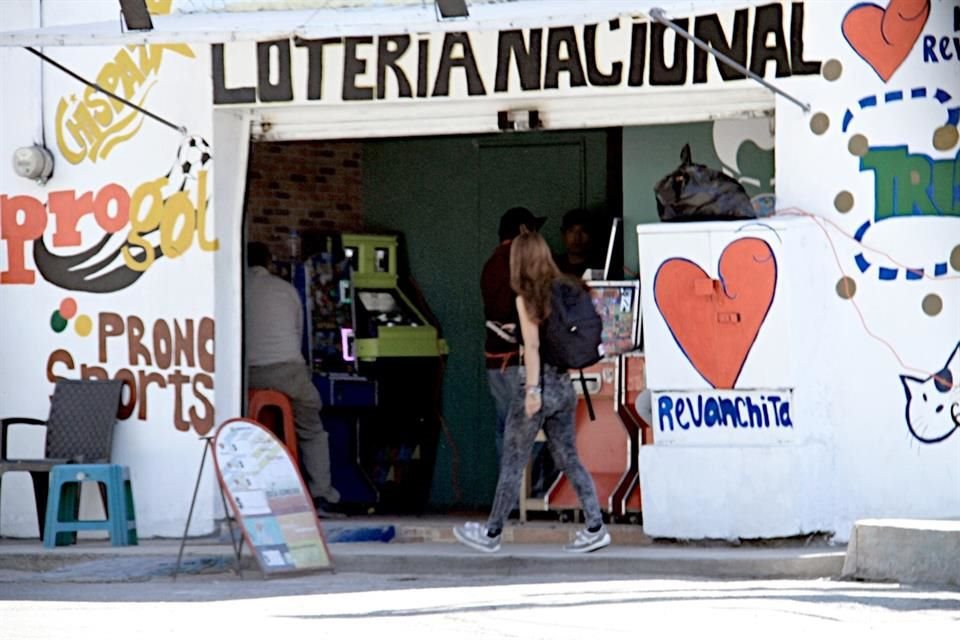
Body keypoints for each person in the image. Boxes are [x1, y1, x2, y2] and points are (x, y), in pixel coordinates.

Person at [456, 230, 611, 554]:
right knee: (570, 458)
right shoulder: (569, 287)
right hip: (564, 386)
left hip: (537, 385)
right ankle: (595, 527)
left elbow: (534, 345)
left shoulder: (527, 296)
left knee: (513, 462)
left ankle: (491, 534)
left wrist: (531, 391)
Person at [245, 241, 342, 517]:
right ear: (269, 262)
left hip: (248, 375)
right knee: (312, 429)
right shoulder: (286, 290)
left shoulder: (236, 289)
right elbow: (299, 335)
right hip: (288, 371)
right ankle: (322, 495)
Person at [480, 206, 546, 460]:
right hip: (519, 360)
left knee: (504, 428)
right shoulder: (522, 263)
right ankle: (531, 494)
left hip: (495, 360)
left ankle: (511, 496)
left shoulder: (490, 264)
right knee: (531, 433)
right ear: (523, 230)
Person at [554, 207, 600, 277]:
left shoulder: (599, 266)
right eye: (571, 231)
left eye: (583, 231)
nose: (577, 238)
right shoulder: (554, 266)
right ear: (563, 235)